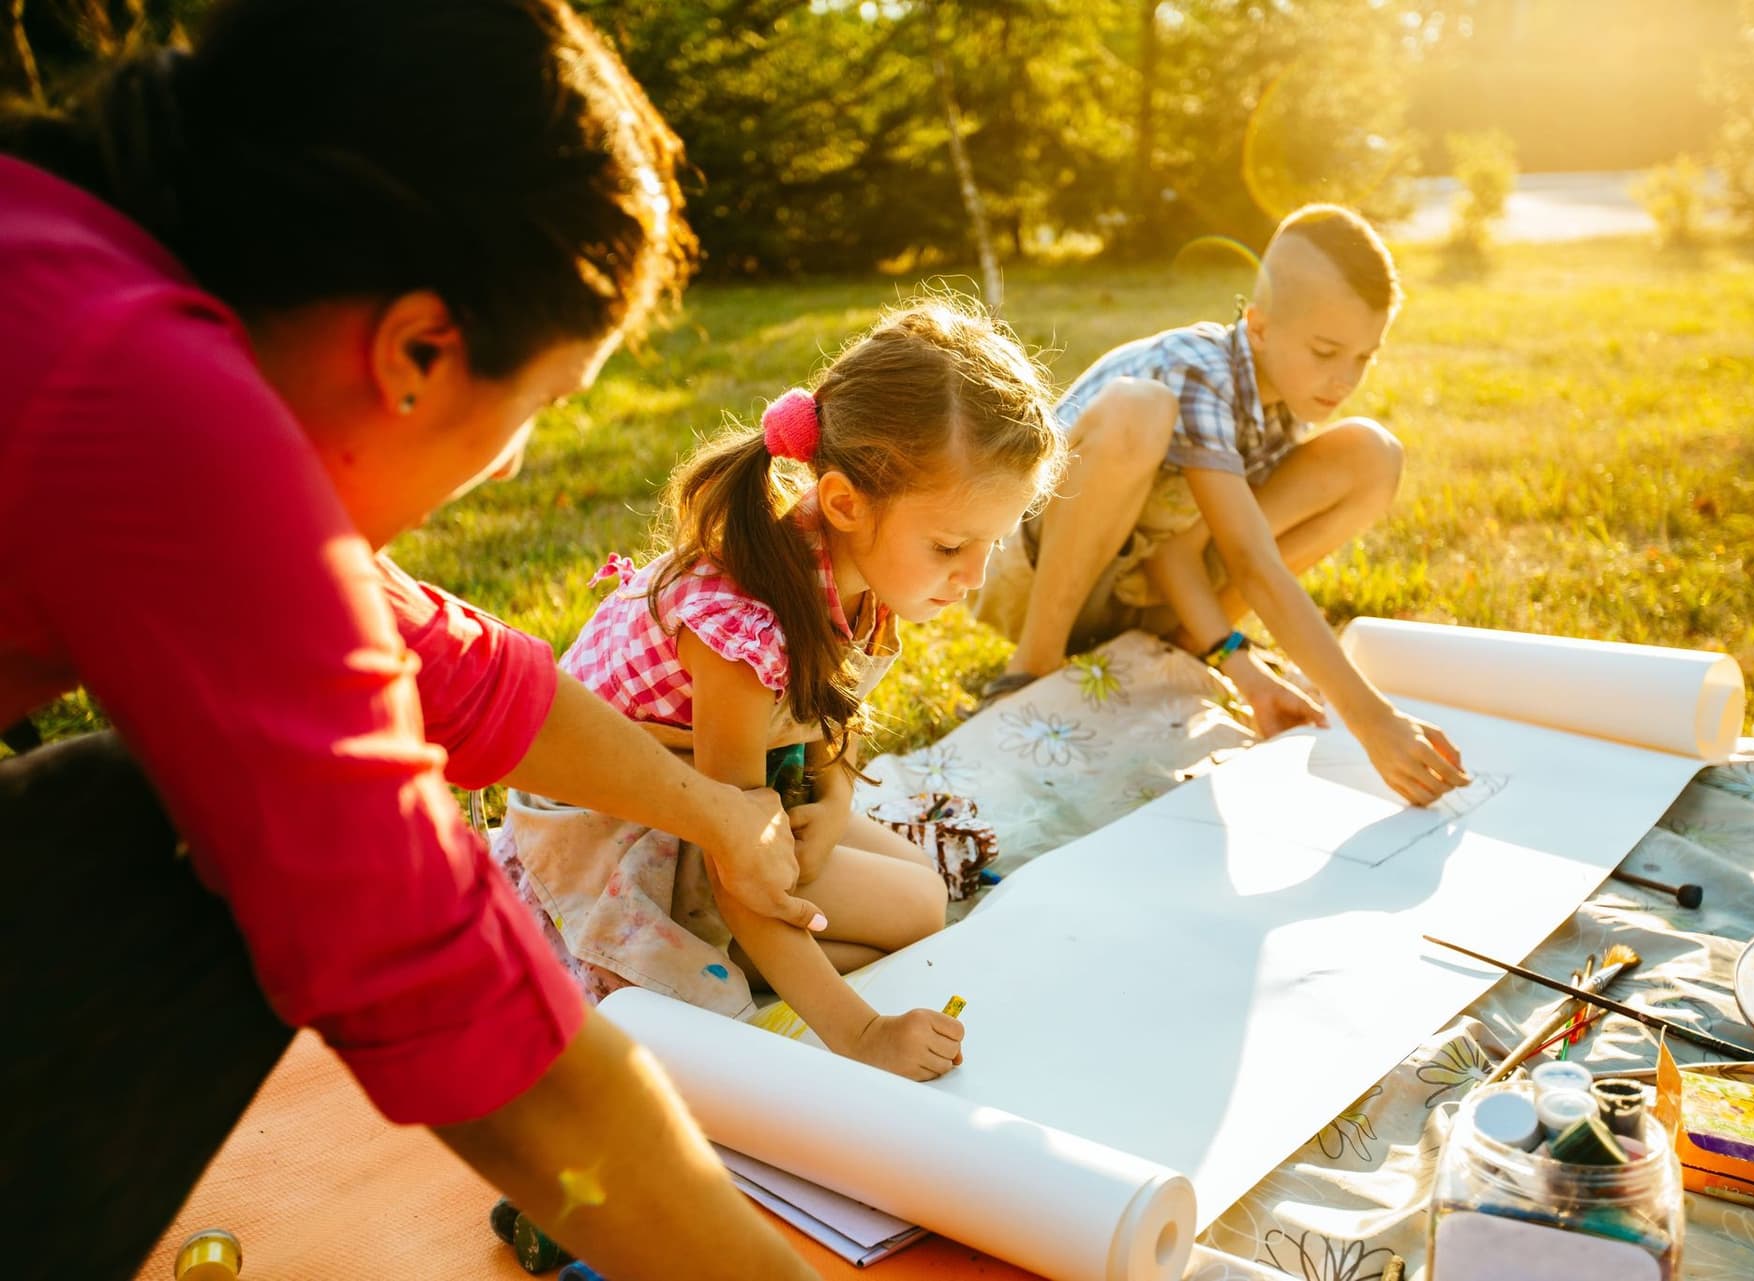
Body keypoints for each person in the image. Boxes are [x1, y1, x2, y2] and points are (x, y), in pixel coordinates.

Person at [0, 2, 816, 1276]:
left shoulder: (69, 283)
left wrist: (715, 813)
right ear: (419, 349)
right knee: (149, 845)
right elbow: (465, 1011)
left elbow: (444, 668)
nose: (514, 463)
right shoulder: (147, 401)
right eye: (541, 406)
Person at [500, 299, 1063, 1081]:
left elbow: (828, 707)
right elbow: (733, 849)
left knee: (922, 900)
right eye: (950, 545)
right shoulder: (743, 628)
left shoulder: (856, 571)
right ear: (843, 502)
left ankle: (743, 957)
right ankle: (679, 958)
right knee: (910, 912)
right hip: (632, 828)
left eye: (992, 544)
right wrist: (862, 1033)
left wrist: (832, 799)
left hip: (738, 787)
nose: (973, 577)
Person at [971, 204, 1471, 806]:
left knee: (1372, 453)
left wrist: (1240, 663)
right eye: (1325, 350)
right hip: (1034, 574)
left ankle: (1186, 645)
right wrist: (1373, 720)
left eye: (1363, 357)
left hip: (1142, 589)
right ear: (1258, 327)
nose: (1343, 379)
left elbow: (1178, 553)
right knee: (1138, 408)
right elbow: (1250, 559)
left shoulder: (1285, 399)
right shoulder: (1197, 369)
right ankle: (1031, 669)